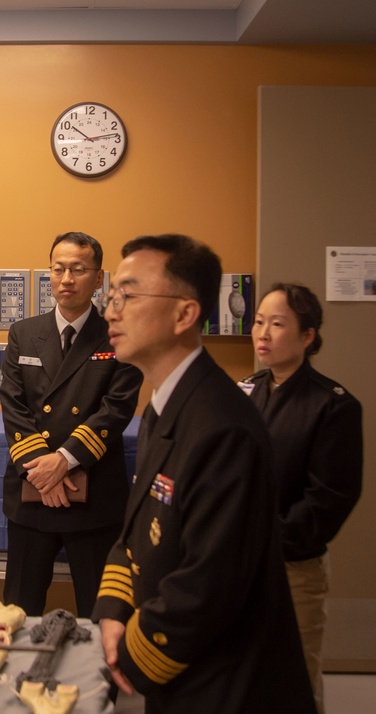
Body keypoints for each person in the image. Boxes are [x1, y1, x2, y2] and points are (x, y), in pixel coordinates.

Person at [93, 234, 316, 712]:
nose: (112, 311)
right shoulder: (164, 406)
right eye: (112, 297)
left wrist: (130, 654)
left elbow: (208, 585)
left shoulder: (222, 426)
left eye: (128, 296)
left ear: (184, 314)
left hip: (230, 685)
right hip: (189, 676)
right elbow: (136, 532)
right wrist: (113, 610)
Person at [0, 231, 142, 618]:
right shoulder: (24, 334)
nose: (66, 279)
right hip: (32, 494)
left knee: (101, 614)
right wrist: (43, 474)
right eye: (59, 268)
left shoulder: (118, 335)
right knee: (18, 613)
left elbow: (116, 408)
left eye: (78, 269)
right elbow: (13, 407)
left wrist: (63, 460)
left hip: (93, 498)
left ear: (98, 278)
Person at [241, 283, 363, 713]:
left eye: (278, 324)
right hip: (240, 562)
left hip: (293, 564)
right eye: (258, 322)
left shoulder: (332, 405)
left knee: (292, 681)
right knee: (243, 676)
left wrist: (267, 538)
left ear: (308, 336)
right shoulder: (248, 391)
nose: (264, 334)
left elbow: (328, 498)